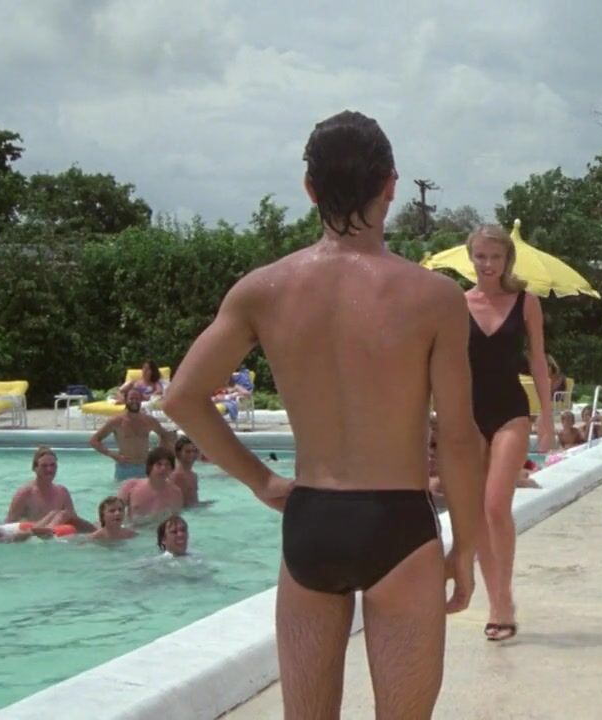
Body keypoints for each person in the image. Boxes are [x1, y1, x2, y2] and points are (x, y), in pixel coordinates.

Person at [162, 110, 484, 719]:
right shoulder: (435, 297)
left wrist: (262, 481)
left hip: (311, 520)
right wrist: (466, 547)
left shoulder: (263, 289)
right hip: (399, 522)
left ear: (310, 189)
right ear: (391, 185)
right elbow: (460, 438)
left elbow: (182, 397)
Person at [464, 222, 555, 642]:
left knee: (496, 505)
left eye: (495, 256)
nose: (488, 264)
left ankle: (503, 600)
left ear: (507, 259)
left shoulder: (525, 302)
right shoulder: (457, 303)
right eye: (481, 256)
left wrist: (547, 417)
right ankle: (497, 601)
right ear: (471, 257)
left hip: (511, 413)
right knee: (479, 513)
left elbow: (538, 361)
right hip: (468, 415)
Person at [90, 387, 176, 481]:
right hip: (125, 467)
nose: (134, 401)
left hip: (145, 467)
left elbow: (165, 436)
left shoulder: (149, 421)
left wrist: (157, 455)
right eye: (131, 399)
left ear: (141, 400)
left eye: (137, 399)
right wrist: (112, 454)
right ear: (126, 400)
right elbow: (94, 440)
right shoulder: (116, 421)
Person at [5, 447, 96, 532]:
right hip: (33, 537)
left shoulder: (62, 492)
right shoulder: (25, 494)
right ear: (34, 468)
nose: (49, 469)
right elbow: (8, 526)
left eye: (53, 465)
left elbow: (73, 520)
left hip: (56, 537)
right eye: (44, 466)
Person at [118, 447, 185, 525]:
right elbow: (113, 514)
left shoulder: (176, 493)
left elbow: (175, 524)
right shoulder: (131, 486)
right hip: (134, 531)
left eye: (167, 465)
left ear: (172, 468)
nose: (163, 468)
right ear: (150, 466)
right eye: (159, 464)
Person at [169, 435, 206, 506]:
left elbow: (194, 501)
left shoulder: (194, 475)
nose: (192, 454)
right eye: (188, 451)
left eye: (194, 451)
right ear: (178, 453)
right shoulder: (177, 476)